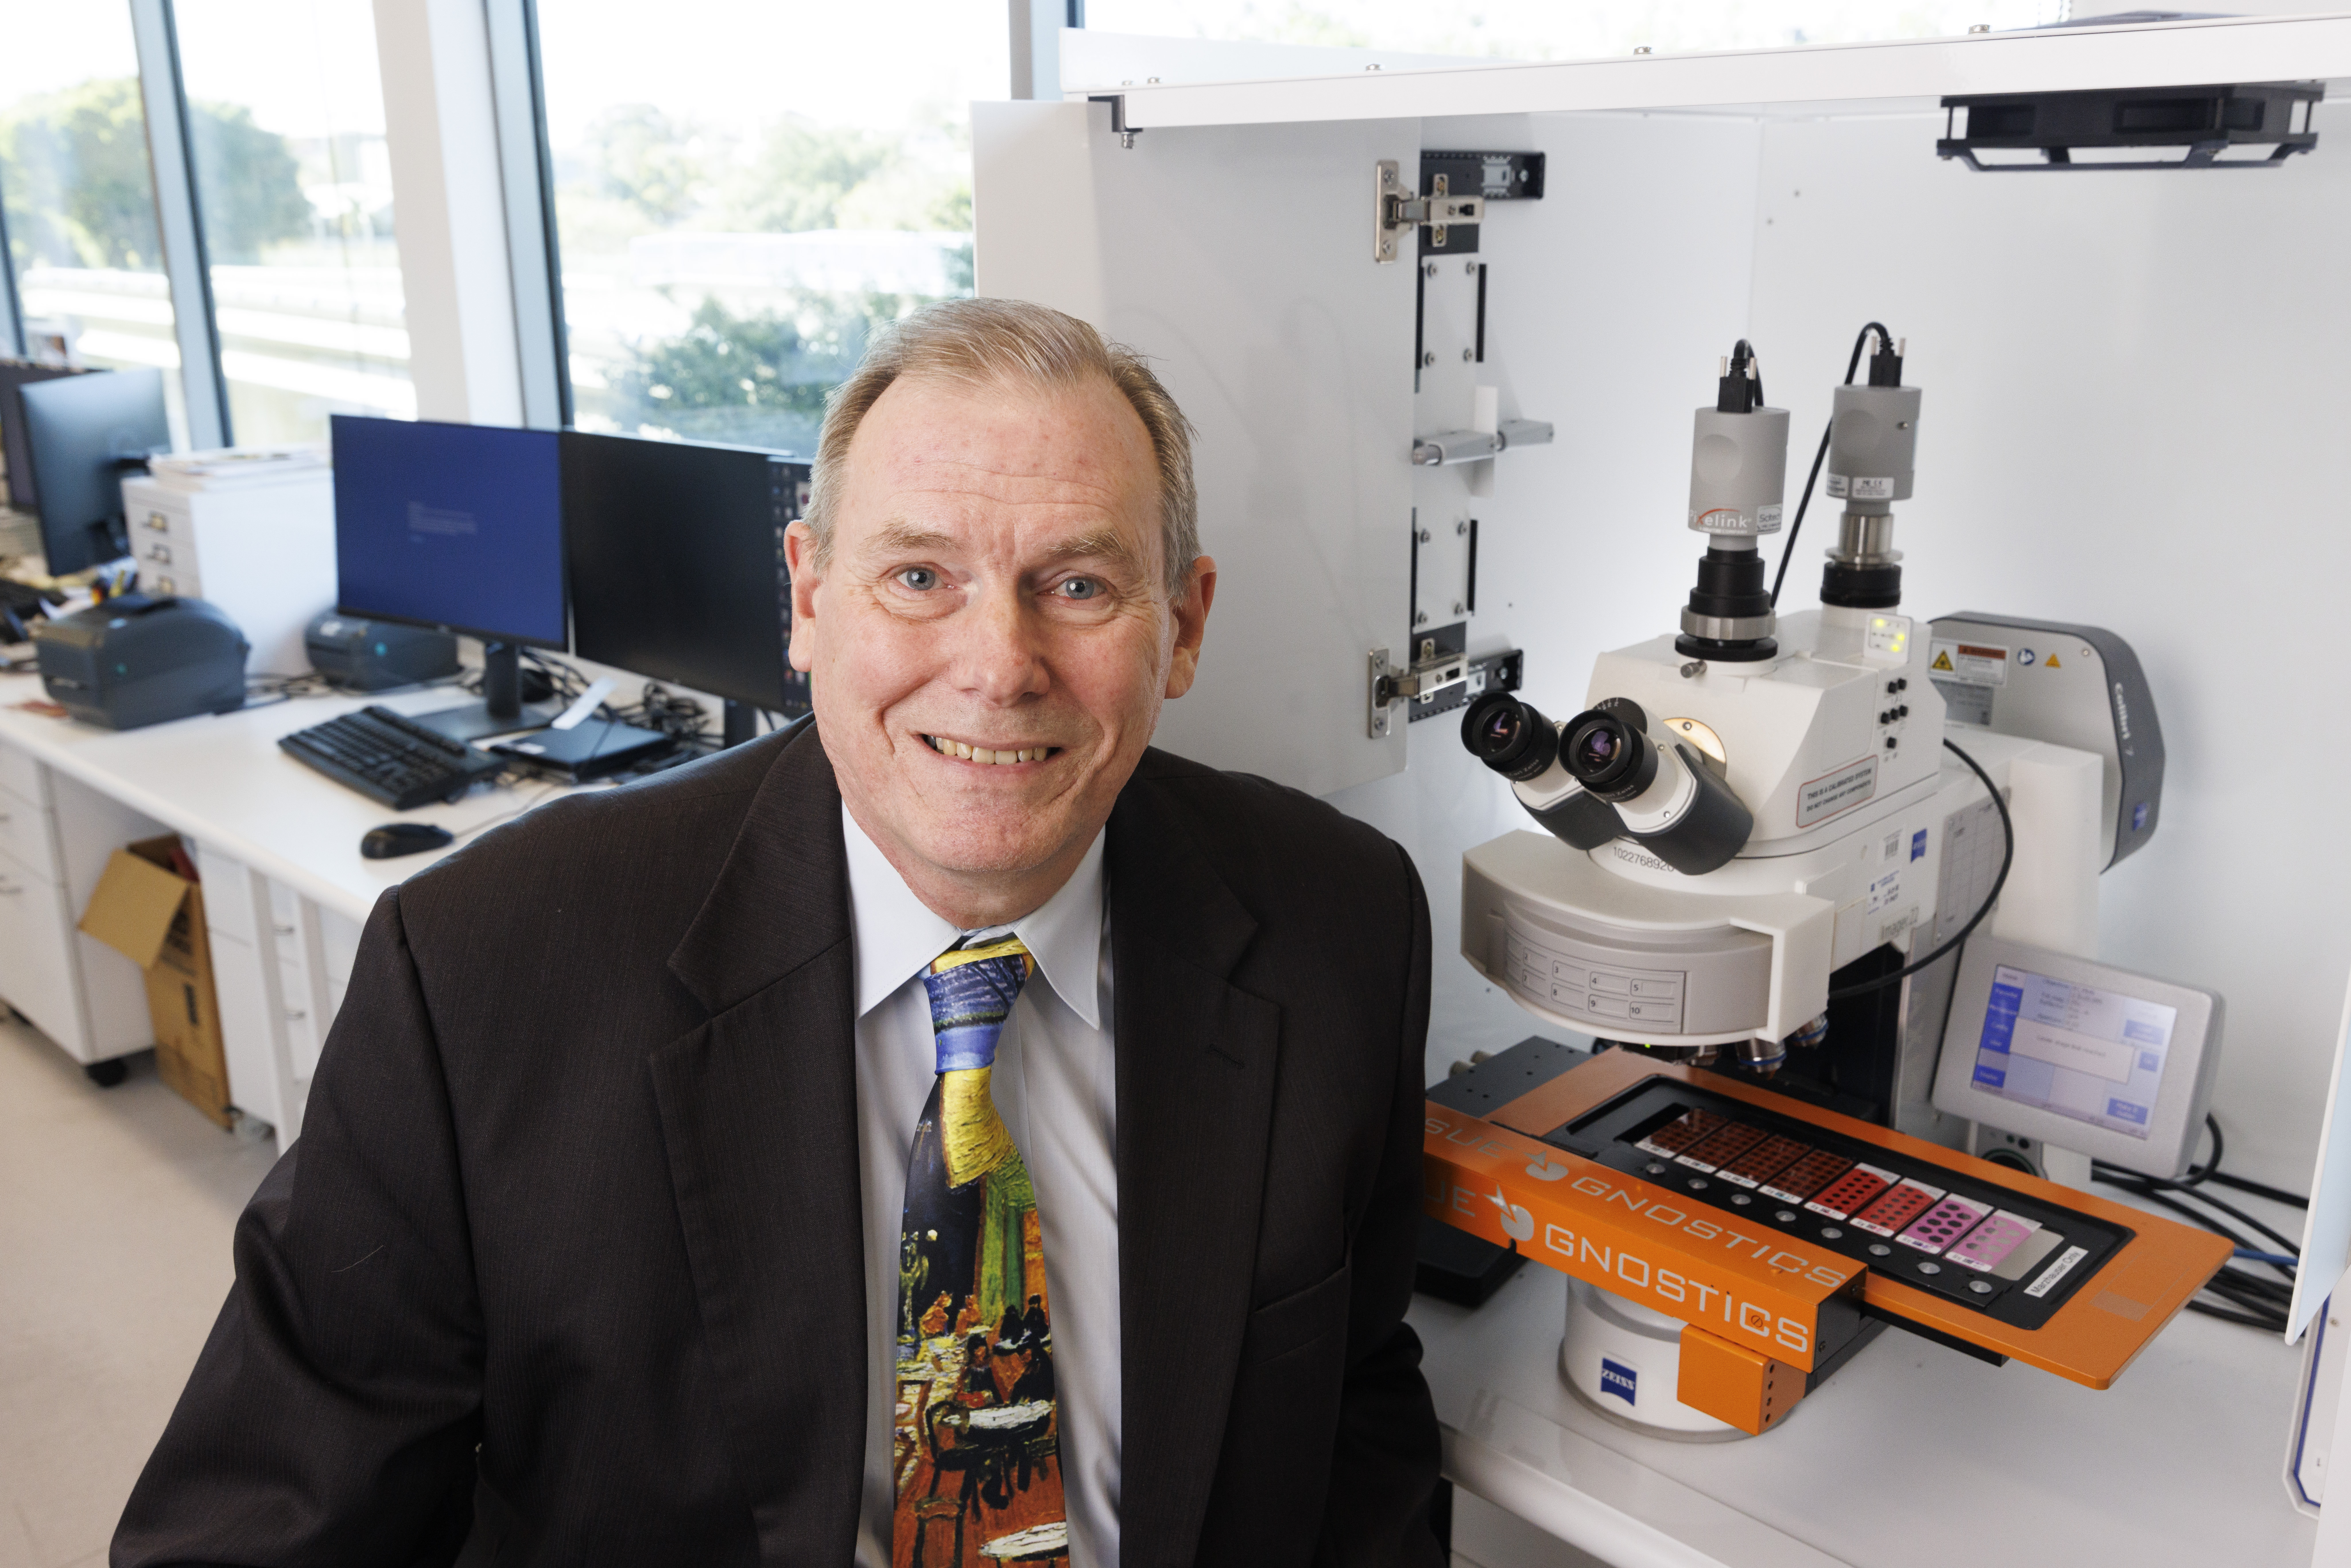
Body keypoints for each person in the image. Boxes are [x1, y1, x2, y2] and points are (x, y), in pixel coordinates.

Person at [112, 298, 1443, 1567]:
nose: (997, 664)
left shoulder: (1341, 923)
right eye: (918, 574)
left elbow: (1356, 1402)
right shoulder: (479, 971)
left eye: (1080, 585)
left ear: (1184, 624)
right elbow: (260, 1522)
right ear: (807, 599)